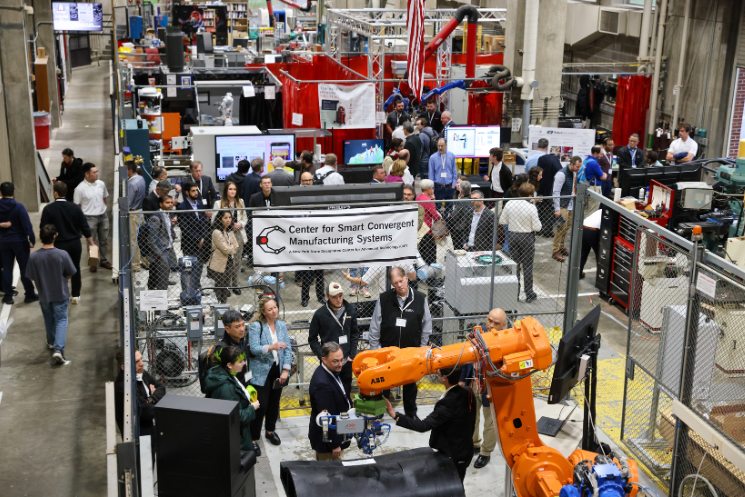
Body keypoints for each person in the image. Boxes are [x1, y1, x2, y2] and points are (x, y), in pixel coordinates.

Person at [385, 365, 476, 482]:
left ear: (444, 378)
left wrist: (395, 415)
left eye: (438, 373)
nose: (436, 374)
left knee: (452, 485)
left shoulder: (447, 404)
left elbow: (423, 426)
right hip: (465, 449)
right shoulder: (468, 392)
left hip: (453, 455)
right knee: (458, 482)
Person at [369, 267, 432, 417]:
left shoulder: (420, 299)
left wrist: (421, 350)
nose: (399, 285)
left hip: (410, 354)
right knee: (383, 384)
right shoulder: (384, 299)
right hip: (387, 353)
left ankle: (411, 415)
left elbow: (426, 327)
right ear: (392, 284)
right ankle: (379, 414)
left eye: (401, 281)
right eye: (395, 283)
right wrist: (375, 352)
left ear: (406, 278)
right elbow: (375, 326)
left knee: (410, 386)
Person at [458, 308, 507, 469]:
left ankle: (485, 452)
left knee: (490, 422)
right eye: (489, 320)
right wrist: (462, 380)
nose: (491, 325)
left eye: (496, 323)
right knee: (471, 417)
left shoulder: (506, 341)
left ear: (503, 325)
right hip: (473, 382)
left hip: (491, 387)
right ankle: (474, 444)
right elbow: (466, 358)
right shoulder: (476, 334)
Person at [26, 224, 77, 363]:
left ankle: (50, 341)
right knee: (61, 320)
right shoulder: (62, 254)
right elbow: (70, 273)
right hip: (60, 294)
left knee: (48, 319)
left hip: (44, 295)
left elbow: (31, 277)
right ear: (54, 237)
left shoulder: (34, 257)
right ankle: (58, 349)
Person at [40, 182, 95, 304]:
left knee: (57, 270)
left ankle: (60, 294)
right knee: (75, 268)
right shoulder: (75, 208)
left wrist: (45, 244)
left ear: (55, 193)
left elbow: (43, 228)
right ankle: (75, 295)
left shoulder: (48, 209)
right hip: (74, 244)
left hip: (57, 245)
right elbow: (84, 226)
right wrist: (91, 243)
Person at [248, 298, 292, 449]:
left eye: (275, 307)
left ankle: (270, 431)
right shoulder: (256, 326)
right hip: (260, 371)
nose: (274, 311)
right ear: (263, 312)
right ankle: (253, 438)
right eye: (270, 309)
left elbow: (287, 348)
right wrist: (272, 347)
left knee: (274, 403)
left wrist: (285, 369)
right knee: (261, 405)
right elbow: (254, 348)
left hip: (277, 369)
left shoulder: (281, 325)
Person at [308, 283, 360, 398]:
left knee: (345, 393)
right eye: (334, 297)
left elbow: (354, 333)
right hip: (329, 363)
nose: (338, 300)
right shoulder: (320, 314)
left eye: (340, 296)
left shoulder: (350, 309)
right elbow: (312, 339)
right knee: (329, 394)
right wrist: (323, 356)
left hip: (346, 361)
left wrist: (352, 355)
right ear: (327, 296)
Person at [205, 345, 260, 452]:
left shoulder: (221, 373)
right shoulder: (227, 388)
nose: (244, 363)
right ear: (229, 365)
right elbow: (236, 417)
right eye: (240, 361)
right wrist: (253, 407)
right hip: (237, 438)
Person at [308, 342, 352, 461]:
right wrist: (334, 444)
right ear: (324, 360)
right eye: (335, 361)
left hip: (337, 433)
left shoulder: (331, 371)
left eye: (341, 360)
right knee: (332, 471)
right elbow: (326, 418)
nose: (340, 364)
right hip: (328, 445)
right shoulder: (322, 384)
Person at [500, 183, 541, 302]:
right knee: (527, 266)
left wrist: (513, 222)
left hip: (512, 235)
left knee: (515, 265)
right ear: (530, 195)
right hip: (526, 236)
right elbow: (537, 227)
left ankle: (515, 293)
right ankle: (529, 292)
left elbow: (502, 220)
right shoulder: (531, 207)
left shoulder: (510, 203)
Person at [114, 347, 166, 438]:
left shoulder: (140, 373)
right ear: (124, 367)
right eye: (136, 362)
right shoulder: (124, 387)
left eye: (141, 359)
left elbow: (161, 387)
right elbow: (148, 412)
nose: (142, 363)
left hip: (150, 429)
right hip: (138, 436)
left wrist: (151, 398)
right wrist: (152, 395)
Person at [0, 182, 37, 304]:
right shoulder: (19, 207)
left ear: (0, 193)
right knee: (24, 268)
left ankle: (8, 296)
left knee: (6, 268)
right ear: (14, 192)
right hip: (20, 242)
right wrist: (32, 238)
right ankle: (29, 294)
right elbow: (26, 225)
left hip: (4, 242)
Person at [74, 163, 112, 271]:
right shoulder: (80, 189)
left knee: (104, 240)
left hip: (103, 216)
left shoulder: (101, 184)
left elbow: (104, 198)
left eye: (97, 171)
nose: (97, 174)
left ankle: (104, 260)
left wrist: (102, 209)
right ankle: (93, 263)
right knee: (92, 242)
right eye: (94, 172)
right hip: (89, 218)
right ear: (87, 174)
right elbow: (77, 206)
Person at [176, 181, 210, 286]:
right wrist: (198, 239)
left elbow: (204, 222)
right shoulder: (182, 207)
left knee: (199, 267)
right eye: (193, 191)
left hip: (202, 242)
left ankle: (197, 287)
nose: (196, 193)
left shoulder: (200, 204)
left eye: (196, 190)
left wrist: (203, 238)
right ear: (187, 192)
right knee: (189, 269)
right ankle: (189, 290)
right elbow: (185, 228)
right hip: (190, 244)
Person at [215, 181, 247, 292]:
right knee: (226, 261)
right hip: (224, 234)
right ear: (226, 190)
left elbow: (245, 218)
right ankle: (225, 286)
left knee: (237, 261)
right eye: (230, 189)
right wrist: (226, 224)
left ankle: (236, 284)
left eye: (234, 189)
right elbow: (214, 220)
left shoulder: (240, 202)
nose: (233, 191)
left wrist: (240, 224)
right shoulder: (218, 203)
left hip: (238, 234)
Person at [552, 156, 581, 262]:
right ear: (571, 164)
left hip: (570, 204)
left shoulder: (573, 173)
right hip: (562, 205)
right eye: (577, 167)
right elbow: (556, 192)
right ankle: (555, 250)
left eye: (580, 167)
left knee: (566, 227)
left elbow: (572, 188)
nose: (578, 169)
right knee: (561, 228)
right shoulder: (561, 174)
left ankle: (561, 246)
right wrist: (557, 208)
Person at [146, 195, 177, 290]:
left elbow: (166, 231)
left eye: (171, 202)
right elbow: (151, 240)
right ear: (161, 204)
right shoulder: (156, 218)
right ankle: (161, 292)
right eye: (167, 202)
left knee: (164, 273)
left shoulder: (168, 215)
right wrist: (159, 254)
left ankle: (161, 286)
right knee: (161, 276)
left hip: (168, 248)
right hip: (160, 251)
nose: (170, 204)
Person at [208, 210, 239, 304]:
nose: (228, 220)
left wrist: (231, 247)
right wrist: (232, 247)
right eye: (225, 218)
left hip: (229, 262)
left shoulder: (229, 231)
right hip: (219, 263)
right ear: (220, 219)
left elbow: (236, 246)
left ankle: (224, 305)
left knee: (226, 286)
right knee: (219, 286)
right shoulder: (217, 232)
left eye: (230, 217)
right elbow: (226, 249)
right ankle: (217, 306)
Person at [536, 147, 562, 237]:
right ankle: (547, 231)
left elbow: (538, 172)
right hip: (551, 189)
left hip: (541, 188)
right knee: (549, 211)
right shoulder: (556, 161)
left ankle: (539, 230)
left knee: (540, 210)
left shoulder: (541, 159)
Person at [126, 161, 146, 272]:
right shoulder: (140, 179)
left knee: (133, 240)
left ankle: (135, 265)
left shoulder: (131, 183)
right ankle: (147, 262)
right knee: (143, 238)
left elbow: (129, 202)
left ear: (130, 170)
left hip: (133, 214)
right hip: (141, 211)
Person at [428, 138, 458, 214]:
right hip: (438, 187)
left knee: (449, 209)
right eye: (439, 146)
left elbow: (454, 170)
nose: (440, 148)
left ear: (446, 146)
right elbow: (431, 174)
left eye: (442, 146)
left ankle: (447, 221)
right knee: (437, 208)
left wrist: (454, 184)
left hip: (450, 186)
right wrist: (432, 188)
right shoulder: (433, 157)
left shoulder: (451, 155)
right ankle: (438, 221)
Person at [580, 146, 608, 216]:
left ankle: (582, 223)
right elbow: (603, 177)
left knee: (586, 209)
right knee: (592, 211)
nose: (602, 156)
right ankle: (586, 223)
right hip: (594, 188)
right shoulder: (594, 163)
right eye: (601, 154)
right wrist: (605, 174)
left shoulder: (586, 160)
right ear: (595, 153)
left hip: (587, 187)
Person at [448, 180, 474, 250]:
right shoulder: (473, 200)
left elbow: (454, 217)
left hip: (460, 231)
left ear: (461, 191)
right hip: (470, 229)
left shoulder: (460, 202)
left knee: (459, 250)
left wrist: (450, 216)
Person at [580, 209, 602, 280]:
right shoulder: (610, 213)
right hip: (593, 230)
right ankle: (601, 278)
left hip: (583, 227)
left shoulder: (600, 211)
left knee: (583, 253)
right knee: (600, 255)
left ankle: (578, 274)